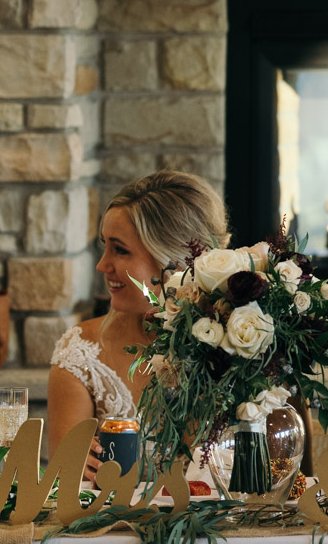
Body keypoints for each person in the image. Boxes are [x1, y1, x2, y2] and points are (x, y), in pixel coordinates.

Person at [48, 170, 229, 476]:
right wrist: (77, 470)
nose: (102, 265)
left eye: (120, 250)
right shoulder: (81, 352)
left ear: (171, 259)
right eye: (105, 246)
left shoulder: (240, 344)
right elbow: (63, 485)